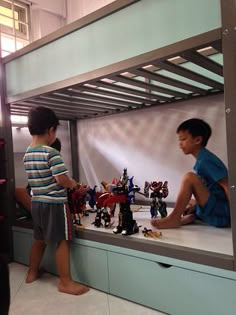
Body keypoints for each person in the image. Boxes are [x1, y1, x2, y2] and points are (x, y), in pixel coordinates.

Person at [23, 106, 89, 295]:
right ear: (51, 130)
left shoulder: (28, 153)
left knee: (39, 239)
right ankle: (65, 282)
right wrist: (74, 184)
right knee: (62, 241)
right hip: (55, 204)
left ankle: (32, 272)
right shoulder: (52, 153)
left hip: (37, 204)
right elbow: (61, 179)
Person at [151, 118, 230, 229]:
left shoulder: (206, 160)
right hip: (214, 204)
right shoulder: (201, 159)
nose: (180, 144)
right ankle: (191, 216)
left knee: (189, 178)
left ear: (197, 140)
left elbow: (227, 185)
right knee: (190, 201)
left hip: (221, 212)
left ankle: (174, 218)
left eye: (183, 139)